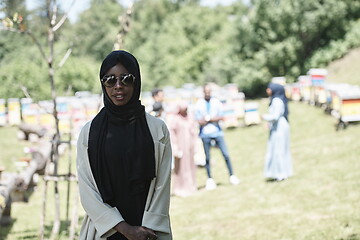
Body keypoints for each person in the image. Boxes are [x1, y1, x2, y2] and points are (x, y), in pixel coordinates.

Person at [76, 50, 172, 240]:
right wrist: (125, 229)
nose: (118, 86)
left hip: (148, 230)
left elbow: (163, 184)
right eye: (110, 80)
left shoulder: (157, 130)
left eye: (126, 79)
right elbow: (88, 191)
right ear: (103, 84)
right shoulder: (90, 133)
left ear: (136, 82)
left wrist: (144, 230)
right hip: (105, 231)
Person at [194, 84, 240, 190]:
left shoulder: (216, 102)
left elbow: (221, 116)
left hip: (217, 133)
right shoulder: (199, 104)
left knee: (226, 154)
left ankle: (232, 175)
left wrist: (209, 119)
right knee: (207, 157)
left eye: (209, 91)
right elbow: (198, 119)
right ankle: (210, 179)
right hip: (205, 134)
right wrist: (205, 120)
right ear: (203, 92)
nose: (207, 93)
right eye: (206, 91)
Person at [262, 82, 292, 182]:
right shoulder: (276, 99)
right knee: (278, 149)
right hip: (278, 126)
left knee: (278, 149)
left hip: (279, 127)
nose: (267, 90)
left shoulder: (277, 100)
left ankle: (280, 173)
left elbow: (275, 116)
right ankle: (279, 172)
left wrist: (263, 117)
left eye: (269, 88)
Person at [169, 101, 197, 197]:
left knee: (190, 165)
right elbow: (172, 134)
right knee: (181, 167)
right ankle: (180, 188)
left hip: (190, 146)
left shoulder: (190, 117)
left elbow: (193, 131)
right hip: (180, 147)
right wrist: (175, 147)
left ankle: (191, 185)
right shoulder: (175, 119)